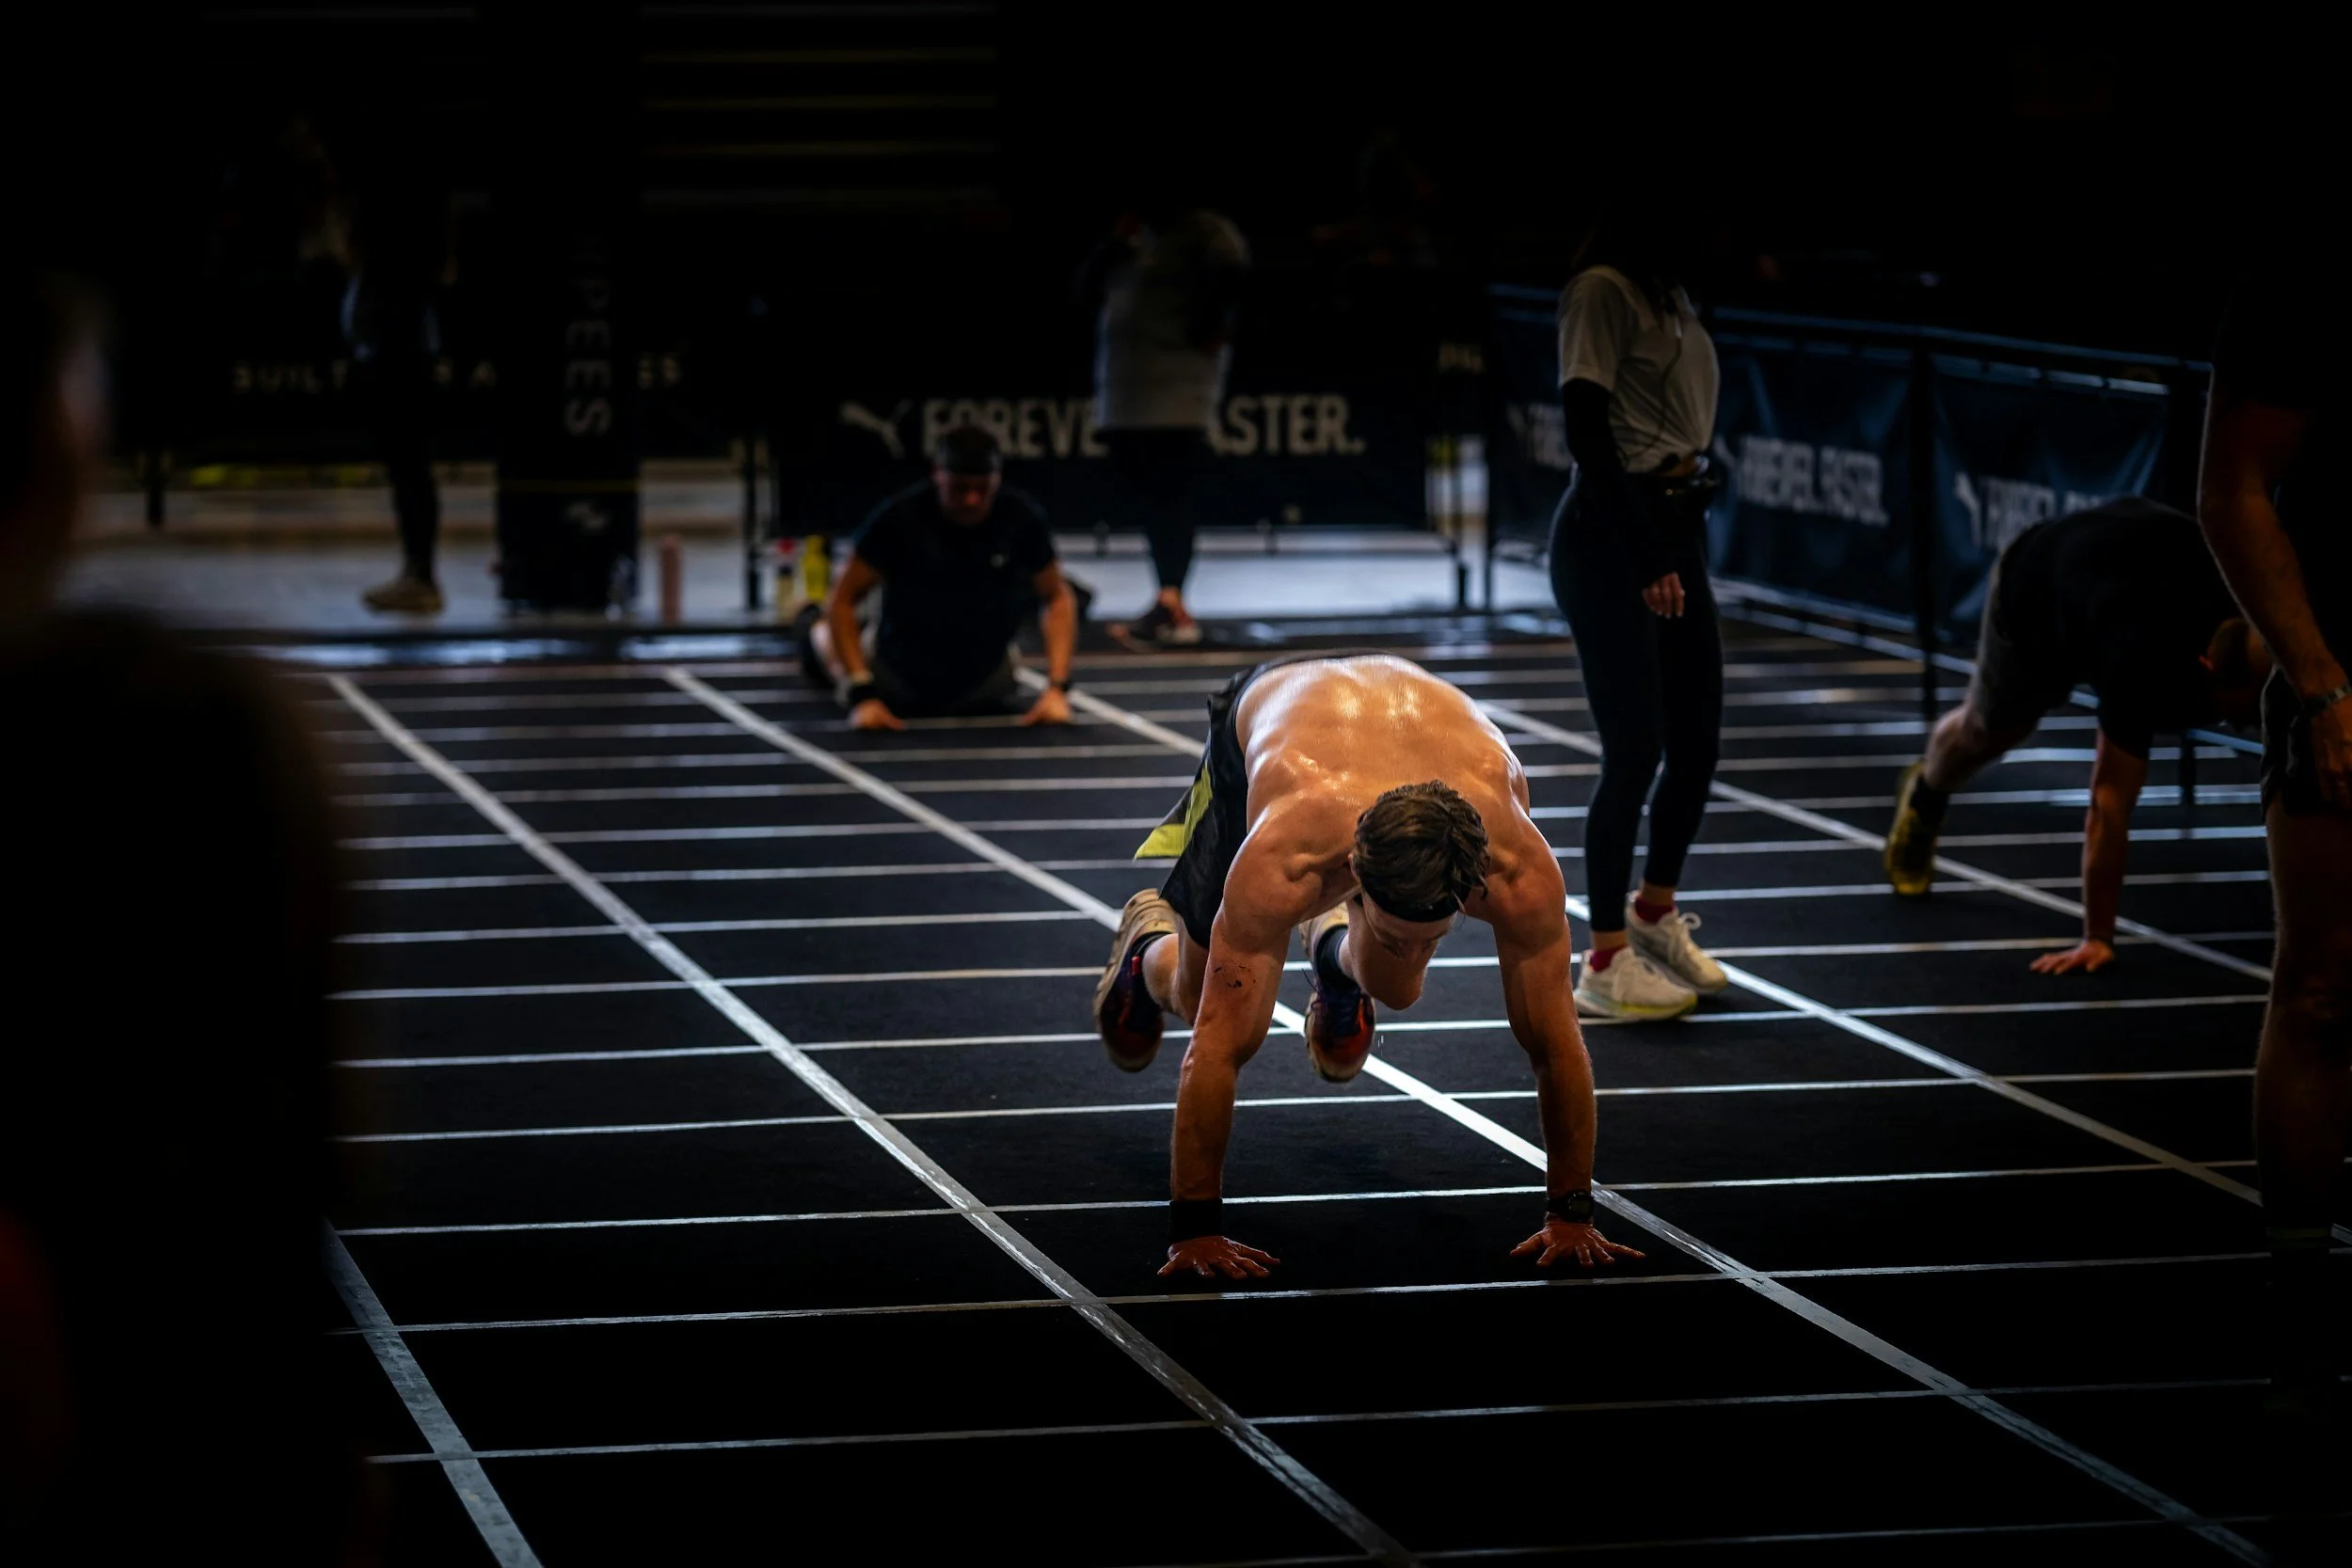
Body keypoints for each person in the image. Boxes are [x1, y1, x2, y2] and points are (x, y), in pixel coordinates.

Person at [2, 270, 361, 1559]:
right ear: (63, 451)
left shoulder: (193, 723)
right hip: (150, 1422)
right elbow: (295, 1157)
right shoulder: (190, 727)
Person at [1090, 653, 1646, 1280]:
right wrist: (1195, 1228)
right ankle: (1145, 949)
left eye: (1430, 938)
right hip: (1271, 713)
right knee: (1202, 1001)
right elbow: (1214, 1050)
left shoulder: (1519, 867)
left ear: (1475, 887)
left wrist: (1572, 1212)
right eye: (1399, 933)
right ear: (1352, 872)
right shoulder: (1283, 858)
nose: (1416, 950)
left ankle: (1335, 960)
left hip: (1401, 722)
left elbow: (1555, 1040)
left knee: (1396, 988)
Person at [1885, 499, 2269, 971]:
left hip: (2112, 571)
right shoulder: (2140, 655)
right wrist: (2098, 936)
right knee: (1988, 731)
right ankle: (1925, 797)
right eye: (2245, 713)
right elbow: (2108, 801)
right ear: (2206, 671)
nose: (2249, 727)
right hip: (2036, 594)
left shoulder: (2264, 602)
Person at [2198, 239, 2350, 1421]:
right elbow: (2230, 482)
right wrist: (2317, 679)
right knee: (2318, 993)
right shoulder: (2305, 267)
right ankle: (2300, 1314)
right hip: (2343, 673)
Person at [1547, 210, 1731, 1021]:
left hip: (1674, 523)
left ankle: (1654, 914)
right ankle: (1605, 959)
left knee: (1698, 738)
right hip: (1611, 535)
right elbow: (1587, 430)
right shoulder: (1601, 291)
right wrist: (1647, 553)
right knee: (1636, 750)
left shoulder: (1671, 293)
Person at [807, 424, 1077, 730]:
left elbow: (1057, 597)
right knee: (823, 634)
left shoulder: (1019, 517)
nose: (972, 500)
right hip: (895, 676)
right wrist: (861, 692)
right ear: (938, 474)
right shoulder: (900, 517)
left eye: (983, 489)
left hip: (987, 682)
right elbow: (842, 599)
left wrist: (1057, 688)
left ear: (997, 479)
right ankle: (815, 634)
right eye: (960, 488)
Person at [1084, 195, 1248, 647]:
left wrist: (1211, 323)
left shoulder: (1206, 231)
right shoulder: (1131, 236)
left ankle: (1173, 605)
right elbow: (1084, 288)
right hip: (1126, 392)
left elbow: (1234, 276)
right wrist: (1113, 246)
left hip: (1177, 392)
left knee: (1170, 497)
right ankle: (1167, 599)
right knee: (1149, 500)